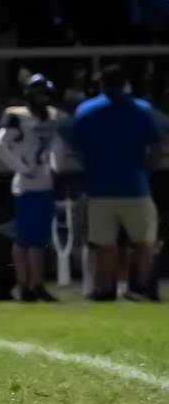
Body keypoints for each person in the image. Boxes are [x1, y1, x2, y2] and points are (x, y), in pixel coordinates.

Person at [68, 65, 163, 301]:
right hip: (135, 186)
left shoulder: (86, 110)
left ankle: (106, 288)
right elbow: (157, 146)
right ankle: (140, 286)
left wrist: (88, 166)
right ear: (125, 83)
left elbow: (74, 145)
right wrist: (146, 169)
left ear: (100, 84)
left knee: (104, 244)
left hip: (100, 187)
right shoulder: (141, 109)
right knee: (145, 241)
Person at [0, 74, 63, 302]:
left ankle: (36, 284)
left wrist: (54, 166)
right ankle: (26, 285)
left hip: (44, 183)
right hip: (25, 186)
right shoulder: (17, 117)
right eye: (39, 93)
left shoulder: (53, 116)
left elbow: (58, 143)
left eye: (45, 93)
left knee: (40, 237)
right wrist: (21, 167)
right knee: (24, 238)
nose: (43, 98)